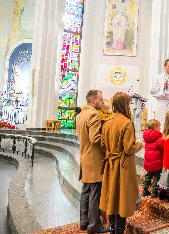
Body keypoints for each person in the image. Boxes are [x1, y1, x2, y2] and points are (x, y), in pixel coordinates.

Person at [100, 92, 143, 234]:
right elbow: (128, 148)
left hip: (110, 164)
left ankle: (112, 228)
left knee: (111, 196)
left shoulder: (106, 122)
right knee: (122, 198)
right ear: (124, 105)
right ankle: (119, 230)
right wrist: (139, 144)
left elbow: (102, 144)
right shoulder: (126, 123)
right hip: (122, 165)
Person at [75, 90, 109, 233]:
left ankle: (84, 221)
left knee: (86, 192)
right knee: (95, 194)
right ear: (93, 100)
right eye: (101, 99)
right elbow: (95, 139)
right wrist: (108, 146)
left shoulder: (81, 114)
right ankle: (94, 225)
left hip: (84, 156)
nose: (102, 102)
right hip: (94, 159)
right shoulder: (93, 114)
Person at [150, 59, 169, 127]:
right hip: (161, 103)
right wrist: (162, 87)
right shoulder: (157, 78)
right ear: (165, 66)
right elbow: (152, 91)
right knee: (160, 123)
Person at [142, 119, 164, 198]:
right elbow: (162, 147)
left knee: (148, 175)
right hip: (157, 161)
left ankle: (145, 190)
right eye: (159, 127)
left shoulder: (146, 136)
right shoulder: (158, 137)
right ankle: (154, 191)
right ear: (155, 127)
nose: (160, 129)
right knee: (157, 176)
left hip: (148, 161)